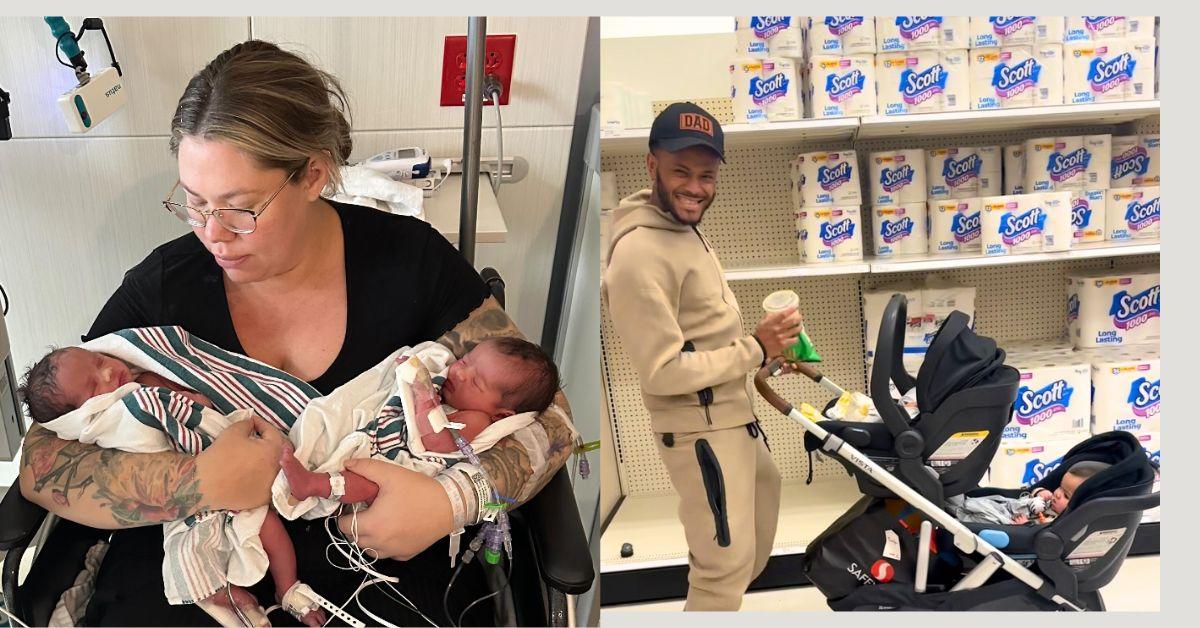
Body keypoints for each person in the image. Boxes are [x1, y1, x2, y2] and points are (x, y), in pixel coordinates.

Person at [17, 40, 576, 626]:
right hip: (199, 570)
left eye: (239, 207)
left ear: (312, 173)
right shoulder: (163, 287)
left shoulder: (410, 263)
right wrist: (196, 482)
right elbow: (42, 460)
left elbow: (552, 419)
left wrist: (447, 503)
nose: (213, 234)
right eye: (194, 202)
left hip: (376, 566)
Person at [602, 102, 802, 611]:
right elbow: (664, 370)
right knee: (721, 570)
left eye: (707, 175)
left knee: (748, 550)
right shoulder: (639, 254)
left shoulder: (683, 228)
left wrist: (766, 356)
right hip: (700, 432)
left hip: (734, 420)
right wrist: (754, 347)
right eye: (681, 172)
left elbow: (702, 336)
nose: (695, 187)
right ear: (652, 166)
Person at [281, 336, 561, 505]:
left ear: (501, 414)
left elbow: (436, 440)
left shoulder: (477, 420)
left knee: (370, 486)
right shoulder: (451, 386)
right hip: (382, 436)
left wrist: (423, 394)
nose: (459, 373)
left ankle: (315, 485)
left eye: (475, 382)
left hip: (402, 468)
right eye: (466, 361)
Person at [947, 461, 1111, 525]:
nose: (1058, 494)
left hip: (1011, 525)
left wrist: (1025, 525)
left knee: (987, 517)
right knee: (995, 502)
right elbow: (1034, 495)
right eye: (1060, 488)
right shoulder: (1053, 502)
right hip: (1012, 507)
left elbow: (1039, 534)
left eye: (1066, 496)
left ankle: (957, 510)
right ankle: (955, 497)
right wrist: (1041, 492)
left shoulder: (1064, 522)